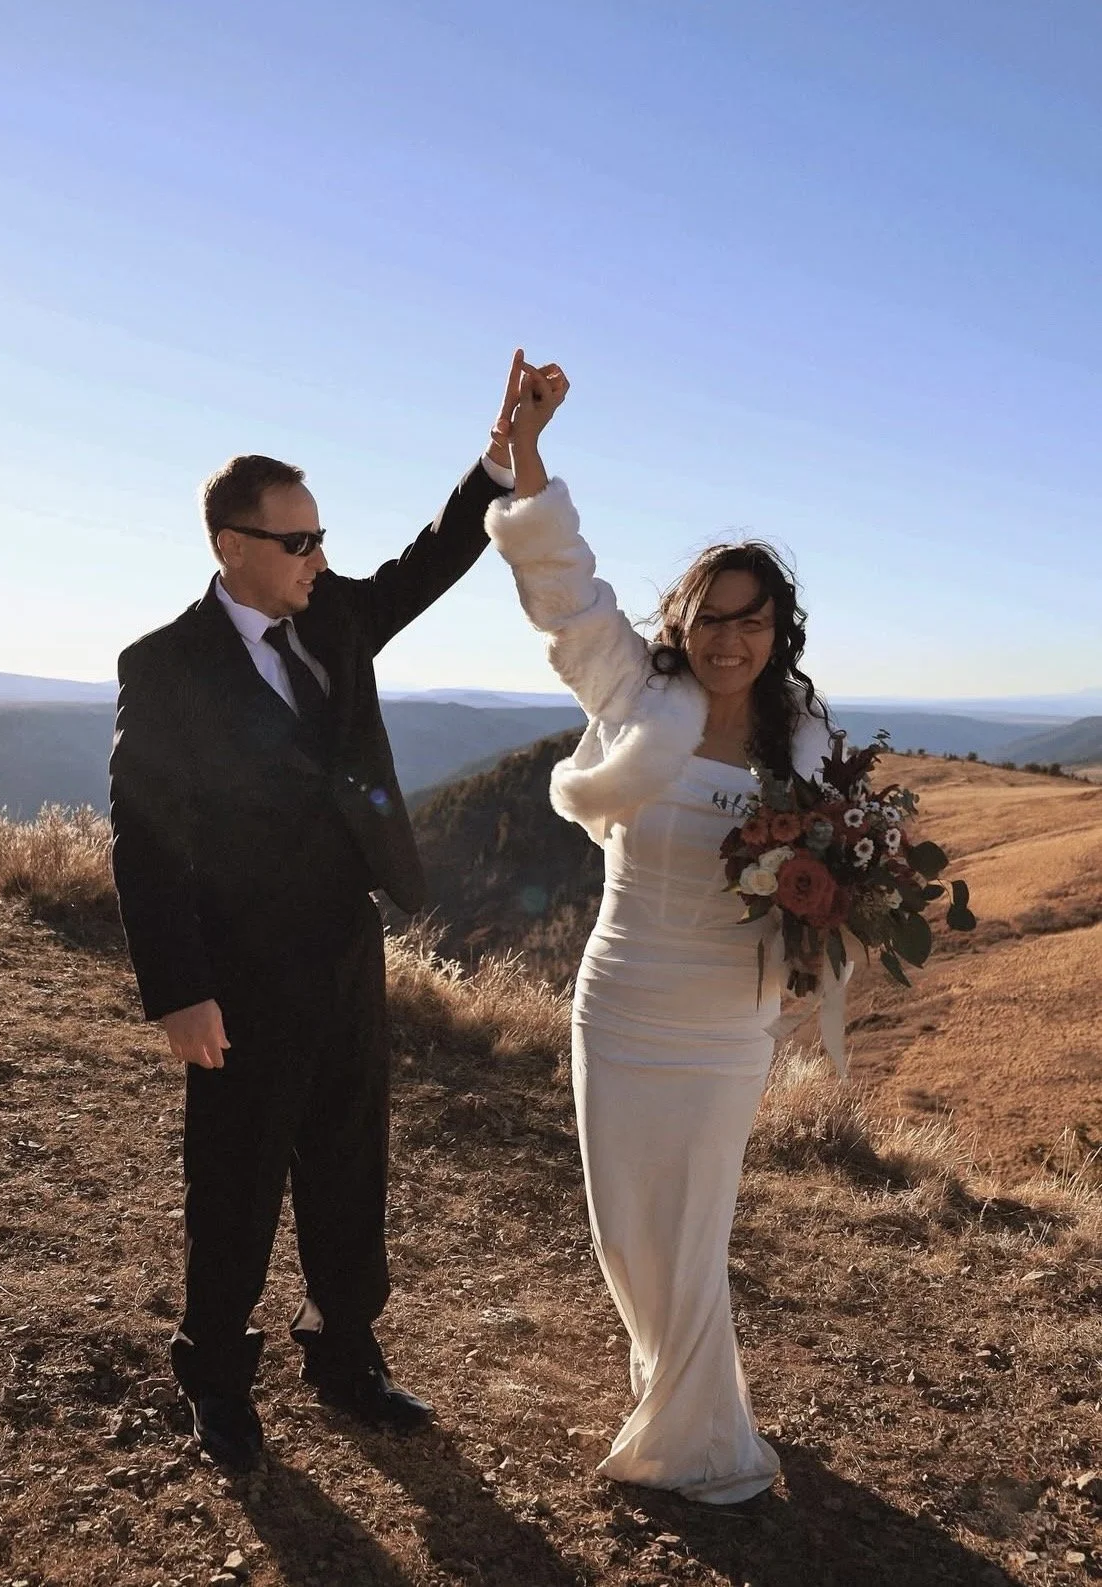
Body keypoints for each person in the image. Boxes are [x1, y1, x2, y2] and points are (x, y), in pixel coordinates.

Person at [108, 350, 559, 1472]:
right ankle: (216, 1375)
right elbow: (144, 841)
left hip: (346, 942)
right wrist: (180, 992)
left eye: (321, 537)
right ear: (232, 548)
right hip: (236, 969)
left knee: (353, 1157)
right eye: (298, 541)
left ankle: (345, 1353)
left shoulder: (337, 617)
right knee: (237, 1175)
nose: (321, 557)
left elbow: (431, 562)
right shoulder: (163, 667)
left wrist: (497, 461)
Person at [485, 365, 834, 1504]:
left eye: (752, 618)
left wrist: (815, 954)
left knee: (694, 1229)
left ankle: (700, 1432)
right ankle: (668, 1379)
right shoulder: (637, 697)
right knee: (625, 1230)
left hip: (728, 1018)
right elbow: (566, 593)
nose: (730, 638)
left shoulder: (806, 741)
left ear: (778, 629)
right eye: (711, 616)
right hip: (625, 995)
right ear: (682, 621)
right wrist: (527, 456)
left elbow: (829, 876)